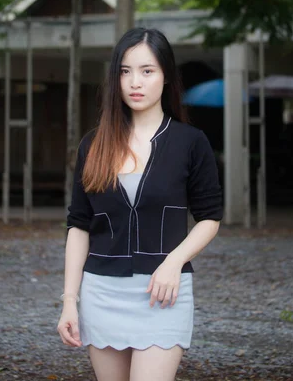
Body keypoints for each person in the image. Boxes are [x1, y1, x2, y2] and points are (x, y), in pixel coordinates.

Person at [57, 27, 223, 381]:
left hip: (162, 295)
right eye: (125, 71)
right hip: (102, 294)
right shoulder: (93, 145)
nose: (135, 81)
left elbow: (210, 217)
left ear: (166, 78)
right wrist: (70, 300)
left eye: (147, 71)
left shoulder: (190, 142)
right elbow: (79, 225)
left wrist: (174, 262)